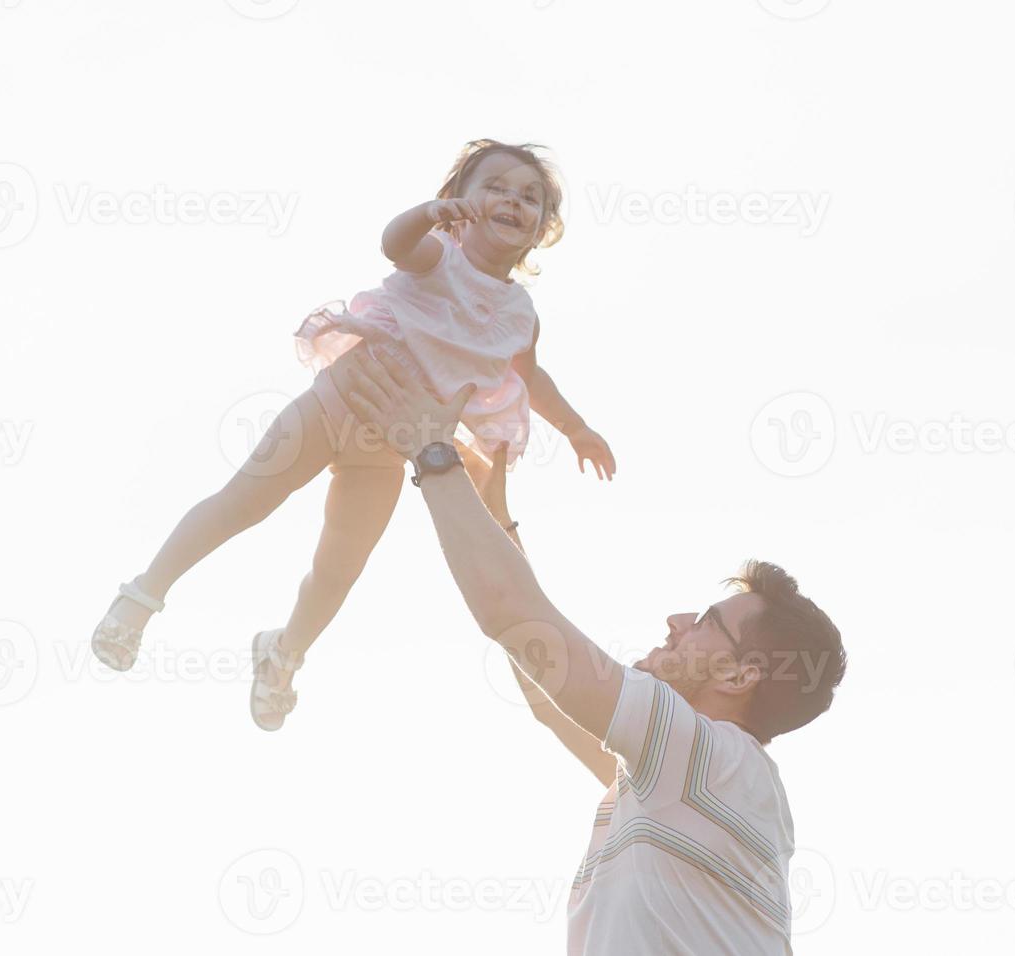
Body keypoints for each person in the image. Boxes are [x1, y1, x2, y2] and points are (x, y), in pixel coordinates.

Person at [332, 346, 847, 955]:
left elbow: (516, 617)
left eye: (706, 622)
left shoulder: (714, 762)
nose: (677, 620)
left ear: (741, 676)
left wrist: (432, 449)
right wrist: (497, 520)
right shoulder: (687, 779)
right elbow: (549, 691)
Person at [88, 139, 617, 730]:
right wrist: (425, 216)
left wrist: (577, 429)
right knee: (245, 502)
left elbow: (529, 373)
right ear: (458, 203)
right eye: (494, 186)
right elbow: (393, 244)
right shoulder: (437, 255)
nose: (512, 201)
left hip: (390, 449)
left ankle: (283, 652)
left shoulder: (520, 313)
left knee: (341, 564)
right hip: (335, 406)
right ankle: (138, 598)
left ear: (543, 227)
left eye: (530, 198)